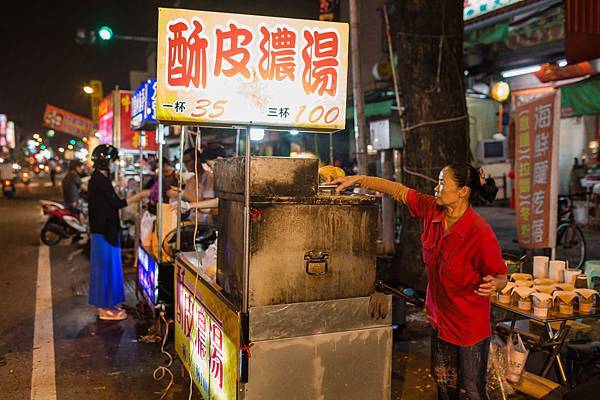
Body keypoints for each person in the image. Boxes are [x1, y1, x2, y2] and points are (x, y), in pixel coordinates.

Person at [333, 164, 507, 400]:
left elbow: (501, 276)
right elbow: (397, 190)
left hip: (469, 328)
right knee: (445, 385)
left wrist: (495, 284)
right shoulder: (432, 210)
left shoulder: (479, 232)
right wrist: (359, 180)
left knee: (472, 389)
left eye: (443, 183)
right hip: (440, 321)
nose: (436, 188)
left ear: (463, 192)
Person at [88, 145, 150, 321]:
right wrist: (140, 195)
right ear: (106, 162)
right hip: (103, 232)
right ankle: (104, 309)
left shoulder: (99, 178)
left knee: (108, 268)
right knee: (104, 269)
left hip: (105, 231)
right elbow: (116, 203)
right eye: (114, 161)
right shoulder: (100, 180)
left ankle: (107, 305)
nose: (116, 165)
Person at [167, 146, 225, 224]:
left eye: (188, 161)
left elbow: (211, 205)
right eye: (210, 166)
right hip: (193, 220)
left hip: (206, 222)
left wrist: (185, 196)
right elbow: (217, 202)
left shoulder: (210, 178)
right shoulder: (190, 180)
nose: (212, 169)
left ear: (197, 160)